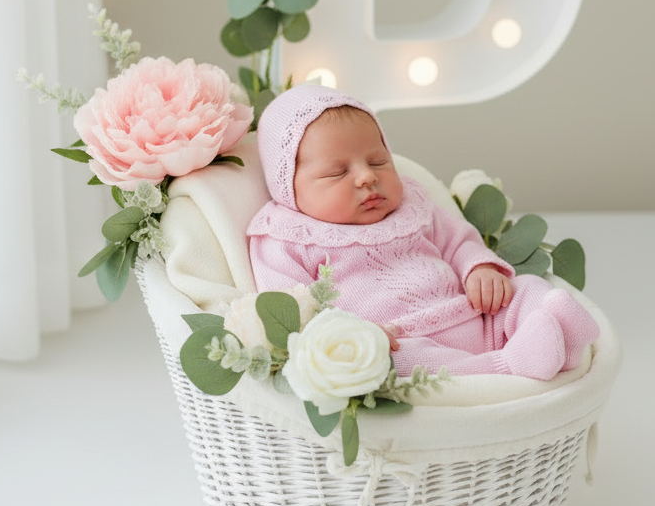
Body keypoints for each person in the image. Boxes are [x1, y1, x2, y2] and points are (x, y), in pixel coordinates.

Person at [247, 84, 599, 380]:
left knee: (524, 289)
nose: (367, 177)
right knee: (386, 364)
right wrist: (353, 337)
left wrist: (480, 268)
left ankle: (561, 336)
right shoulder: (284, 237)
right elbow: (293, 311)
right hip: (402, 339)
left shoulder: (411, 204)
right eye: (338, 172)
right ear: (287, 188)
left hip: (475, 314)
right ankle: (506, 367)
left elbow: (458, 239)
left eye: (378, 162)